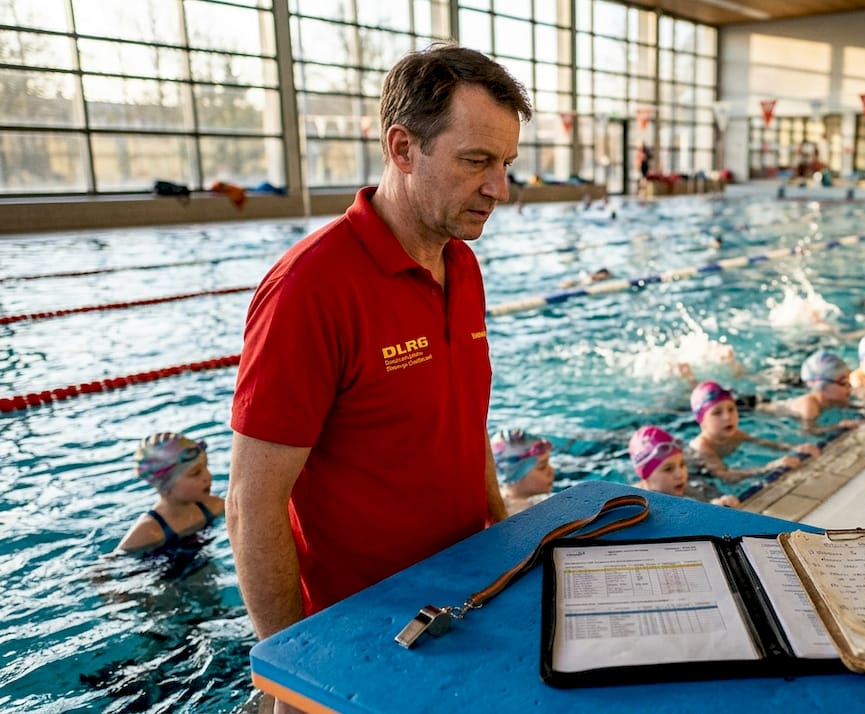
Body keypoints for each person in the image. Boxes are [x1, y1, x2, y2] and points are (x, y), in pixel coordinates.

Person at [226, 43, 533, 648]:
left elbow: (466, 426)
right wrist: (293, 668)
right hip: (363, 629)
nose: (499, 187)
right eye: (476, 161)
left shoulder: (462, 264)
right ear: (402, 148)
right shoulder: (310, 288)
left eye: (506, 162)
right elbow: (251, 507)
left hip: (465, 596)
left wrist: (500, 538)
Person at [687, 381, 820, 482]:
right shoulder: (703, 447)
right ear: (701, 421)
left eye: (731, 409)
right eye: (717, 413)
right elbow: (727, 476)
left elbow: (764, 443)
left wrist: (795, 448)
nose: (727, 417)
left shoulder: (736, 435)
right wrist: (768, 468)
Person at [117, 433, 225, 554]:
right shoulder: (149, 531)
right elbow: (108, 565)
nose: (208, 476)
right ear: (166, 484)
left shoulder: (214, 506)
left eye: (206, 467)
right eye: (195, 473)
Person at [628, 426, 739, 508]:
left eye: (682, 464)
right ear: (645, 476)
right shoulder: (634, 501)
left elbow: (709, 502)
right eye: (668, 469)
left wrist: (722, 504)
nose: (680, 474)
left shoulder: (684, 487)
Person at [759, 349, 863, 432]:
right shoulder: (809, 405)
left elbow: (849, 405)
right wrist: (837, 426)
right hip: (760, 408)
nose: (850, 386)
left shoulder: (832, 397)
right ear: (823, 388)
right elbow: (808, 431)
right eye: (843, 382)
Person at [491, 429, 555, 515]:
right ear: (514, 474)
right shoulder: (506, 514)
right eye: (542, 467)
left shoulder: (532, 500)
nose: (552, 470)